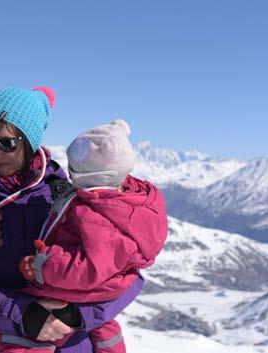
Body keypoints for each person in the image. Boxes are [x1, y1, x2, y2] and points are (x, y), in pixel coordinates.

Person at [0, 87, 144, 353]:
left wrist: (77, 313)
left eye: (6, 143)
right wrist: (20, 314)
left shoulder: (69, 199)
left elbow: (128, 276)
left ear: (30, 140)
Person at [17, 119, 169, 353]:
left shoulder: (96, 213)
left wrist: (43, 265)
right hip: (109, 286)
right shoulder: (130, 201)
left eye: (74, 171)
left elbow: (90, 268)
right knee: (103, 325)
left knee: (25, 337)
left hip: (78, 288)